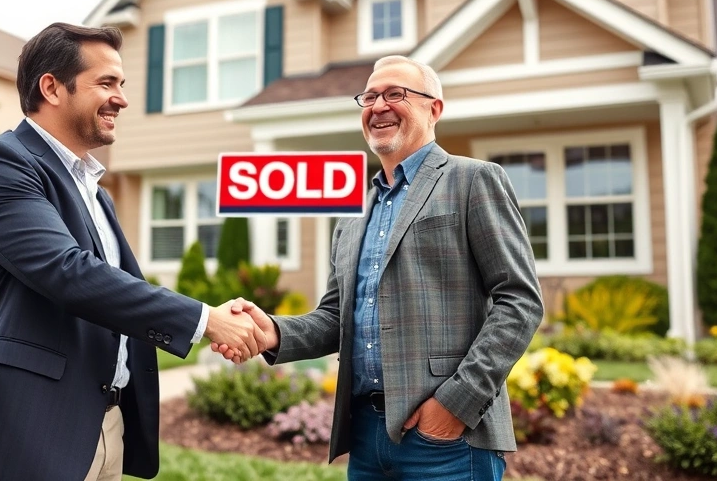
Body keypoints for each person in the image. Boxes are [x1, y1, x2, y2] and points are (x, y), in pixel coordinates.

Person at [0, 23, 263, 481]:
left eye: (121, 84)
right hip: (21, 428)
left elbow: (115, 293)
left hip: (103, 425)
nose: (122, 98)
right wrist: (205, 320)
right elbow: (68, 273)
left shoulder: (95, 190)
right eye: (106, 83)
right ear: (51, 87)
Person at [218, 55, 544, 480]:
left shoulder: (473, 180)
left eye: (396, 94)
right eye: (369, 97)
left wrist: (455, 404)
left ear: (434, 108)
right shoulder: (352, 215)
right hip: (367, 438)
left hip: (447, 440)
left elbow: (520, 300)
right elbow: (336, 317)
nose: (378, 106)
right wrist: (274, 333)